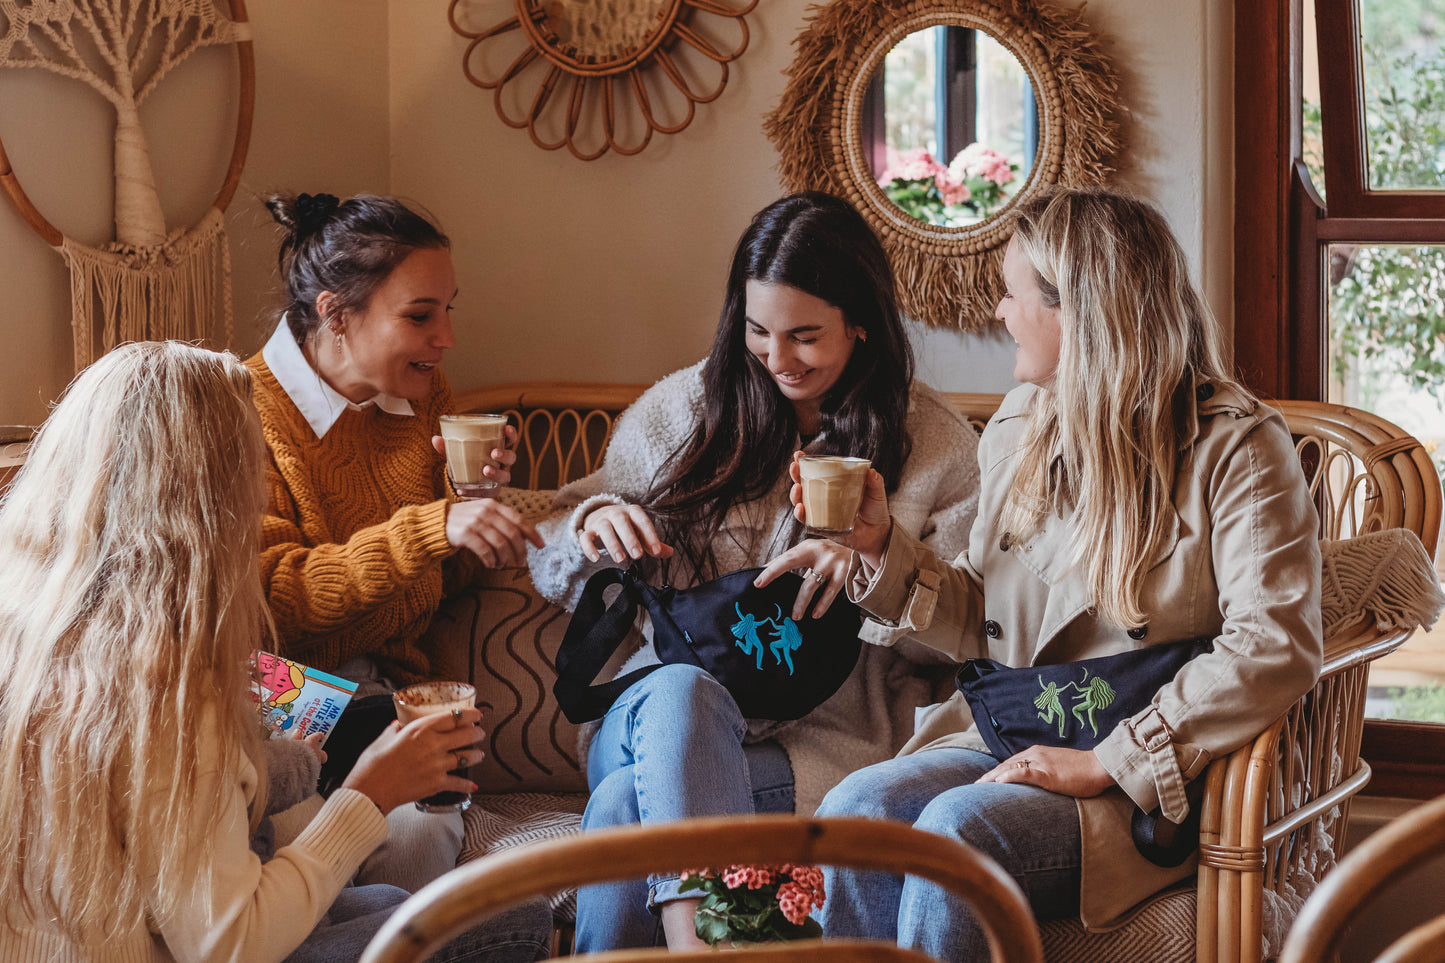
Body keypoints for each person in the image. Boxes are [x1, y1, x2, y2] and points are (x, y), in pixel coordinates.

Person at [757, 187, 1324, 960]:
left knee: (955, 833)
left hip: (1139, 774)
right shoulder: (1019, 424)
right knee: (856, 809)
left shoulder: (1237, 450)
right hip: (1011, 733)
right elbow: (986, 613)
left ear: (1077, 310)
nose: (998, 312)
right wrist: (880, 545)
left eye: (1011, 293)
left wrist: (1108, 758)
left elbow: (1273, 644)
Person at [527, 191, 983, 950]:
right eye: (757, 332)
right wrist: (589, 522)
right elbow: (549, 540)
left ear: (860, 321)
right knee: (678, 688)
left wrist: (877, 563)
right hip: (650, 722)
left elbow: (968, 636)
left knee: (618, 807)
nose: (777, 359)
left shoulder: (935, 445)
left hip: (817, 747)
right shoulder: (685, 411)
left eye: (805, 336)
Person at [0, 342, 553, 963]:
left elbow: (165, 834)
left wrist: (276, 767)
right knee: (516, 921)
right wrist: (368, 794)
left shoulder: (34, 632)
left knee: (387, 903)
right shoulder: (171, 694)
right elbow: (231, 944)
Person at [248, 192, 543, 891]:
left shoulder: (421, 397)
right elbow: (272, 599)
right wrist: (431, 525)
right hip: (269, 692)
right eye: (420, 315)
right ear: (335, 313)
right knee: (356, 829)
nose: (445, 339)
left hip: (387, 692)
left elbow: (443, 581)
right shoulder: (242, 408)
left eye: (448, 309)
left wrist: (474, 511)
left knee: (421, 827)